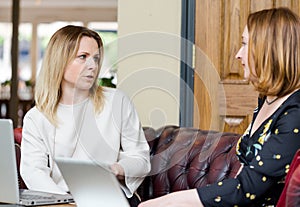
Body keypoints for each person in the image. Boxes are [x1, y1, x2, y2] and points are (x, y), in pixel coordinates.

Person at [139, 7, 300, 207]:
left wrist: (168, 202)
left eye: (245, 44)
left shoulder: (295, 114)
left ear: (269, 50)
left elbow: (245, 189)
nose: (238, 55)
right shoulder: (267, 98)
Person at [20, 25, 151, 207]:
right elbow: (33, 172)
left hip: (109, 197)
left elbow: (141, 160)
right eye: (83, 57)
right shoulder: (36, 117)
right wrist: (68, 203)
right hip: (60, 201)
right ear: (59, 60)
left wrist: (117, 168)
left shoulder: (117, 101)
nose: (93, 66)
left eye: (96, 58)